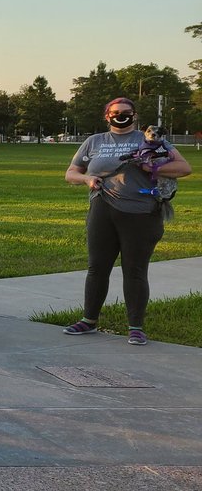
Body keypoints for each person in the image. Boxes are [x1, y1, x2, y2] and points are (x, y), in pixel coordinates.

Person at [63, 97, 191, 345]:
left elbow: (184, 167)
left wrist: (152, 168)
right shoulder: (94, 141)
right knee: (97, 267)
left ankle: (136, 327)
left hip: (141, 213)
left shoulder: (149, 139)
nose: (121, 115)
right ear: (106, 115)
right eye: (115, 112)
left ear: (135, 115)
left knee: (134, 270)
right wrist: (86, 179)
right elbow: (71, 172)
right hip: (102, 208)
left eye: (126, 112)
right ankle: (89, 320)